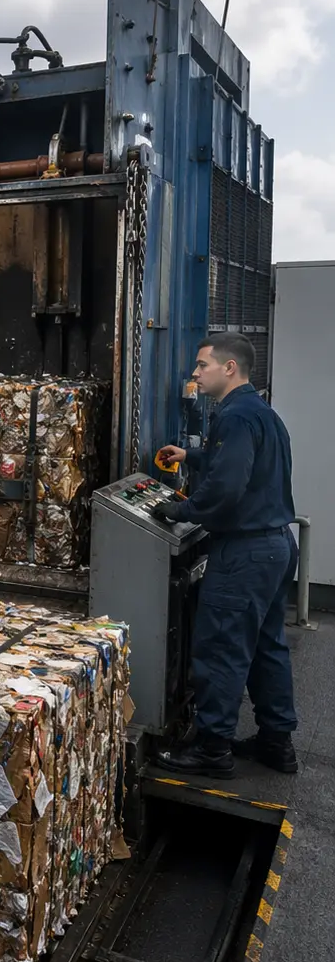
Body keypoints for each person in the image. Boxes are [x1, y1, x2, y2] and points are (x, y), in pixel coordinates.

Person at [151, 333, 299, 779]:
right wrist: (192, 455)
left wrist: (177, 510)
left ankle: (212, 749)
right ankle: (277, 742)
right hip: (276, 547)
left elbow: (227, 490)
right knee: (267, 646)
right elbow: (243, 465)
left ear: (229, 368)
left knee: (222, 647)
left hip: (244, 554)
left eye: (202, 366)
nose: (195, 375)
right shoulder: (262, 413)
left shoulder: (234, 417)